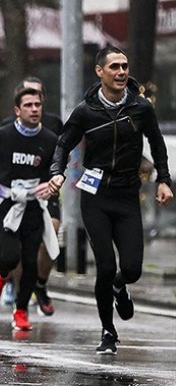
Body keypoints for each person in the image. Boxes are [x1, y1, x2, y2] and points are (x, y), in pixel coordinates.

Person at [48, 45, 172, 354]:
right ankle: (108, 331)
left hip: (127, 196)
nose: (121, 72)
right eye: (114, 67)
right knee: (104, 266)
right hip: (96, 198)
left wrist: (164, 179)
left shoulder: (141, 107)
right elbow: (63, 144)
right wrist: (57, 172)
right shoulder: (85, 111)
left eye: (124, 66)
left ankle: (120, 286)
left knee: (131, 269)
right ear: (100, 71)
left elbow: (157, 145)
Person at [0, 86, 58, 333]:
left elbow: (57, 170)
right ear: (17, 110)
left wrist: (53, 184)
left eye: (38, 105)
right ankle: (1, 276)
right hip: (7, 201)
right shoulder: (2, 135)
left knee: (31, 263)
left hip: (34, 204)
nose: (34, 110)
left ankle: (21, 310)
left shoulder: (49, 139)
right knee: (11, 254)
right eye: (28, 105)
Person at [0, 76, 63, 314]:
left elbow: (65, 155)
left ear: (42, 99)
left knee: (52, 233)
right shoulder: (7, 128)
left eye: (37, 98)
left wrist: (59, 179)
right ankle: (17, 288)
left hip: (45, 191)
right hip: (16, 194)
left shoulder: (55, 124)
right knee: (21, 246)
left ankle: (41, 284)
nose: (33, 106)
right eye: (28, 98)